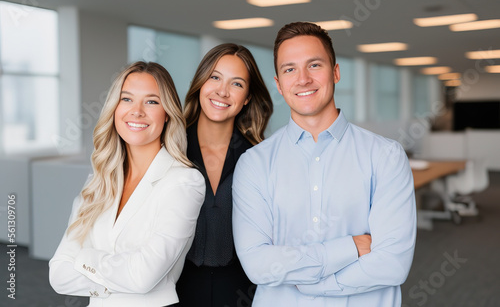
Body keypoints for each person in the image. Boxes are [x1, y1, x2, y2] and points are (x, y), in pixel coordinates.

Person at [232, 22, 417, 306]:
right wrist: (351, 247)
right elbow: (258, 265)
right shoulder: (254, 164)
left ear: (336, 72)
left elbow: (392, 263)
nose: (303, 78)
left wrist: (313, 283)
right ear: (279, 84)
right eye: (289, 69)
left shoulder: (385, 156)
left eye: (314, 65)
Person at [49, 61, 205, 307]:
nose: (137, 111)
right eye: (127, 99)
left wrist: (84, 259)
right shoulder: (98, 181)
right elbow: (58, 275)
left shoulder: (184, 182)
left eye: (152, 101)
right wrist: (123, 273)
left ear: (167, 113)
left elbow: (143, 277)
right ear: (114, 108)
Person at [176, 43, 273, 306]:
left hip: (242, 291)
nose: (222, 91)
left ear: (248, 97)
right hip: (174, 289)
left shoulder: (259, 158)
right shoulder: (170, 150)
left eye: (237, 84)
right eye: (215, 77)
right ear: (200, 84)